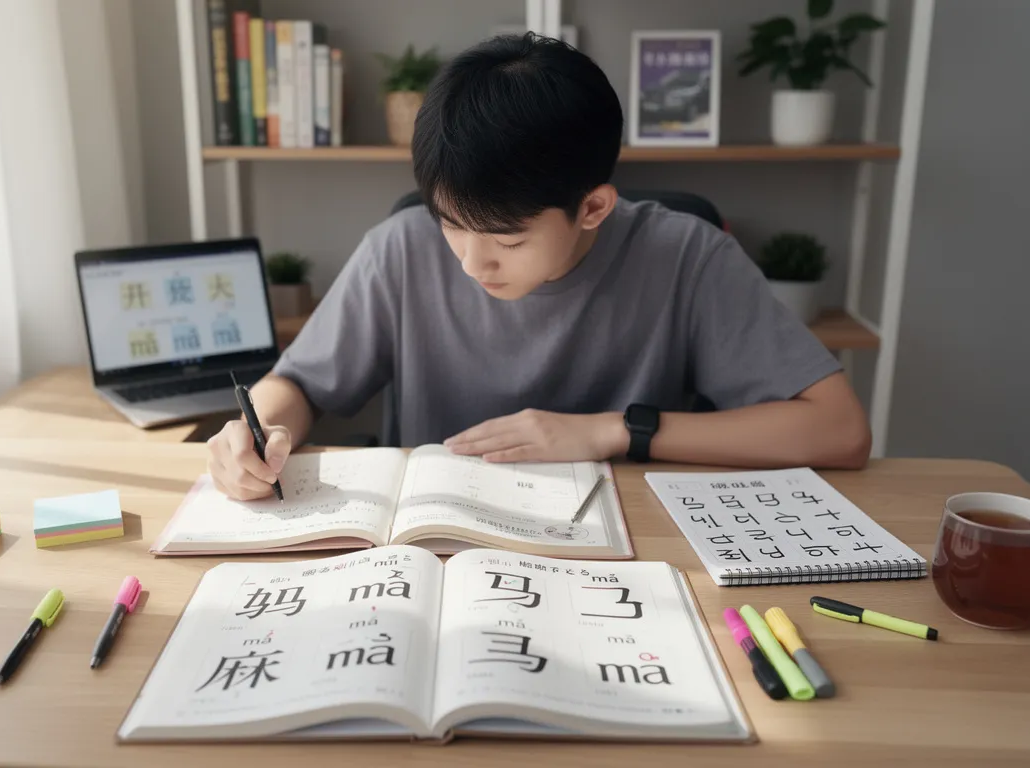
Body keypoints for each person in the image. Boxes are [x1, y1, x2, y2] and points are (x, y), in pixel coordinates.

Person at [207, 32, 870, 501]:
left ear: (593, 207)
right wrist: (258, 431)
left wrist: (612, 432)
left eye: (507, 240)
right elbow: (298, 385)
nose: (471, 263)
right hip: (434, 548)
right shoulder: (400, 248)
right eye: (452, 224)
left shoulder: (686, 257)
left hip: (630, 551)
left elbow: (840, 430)